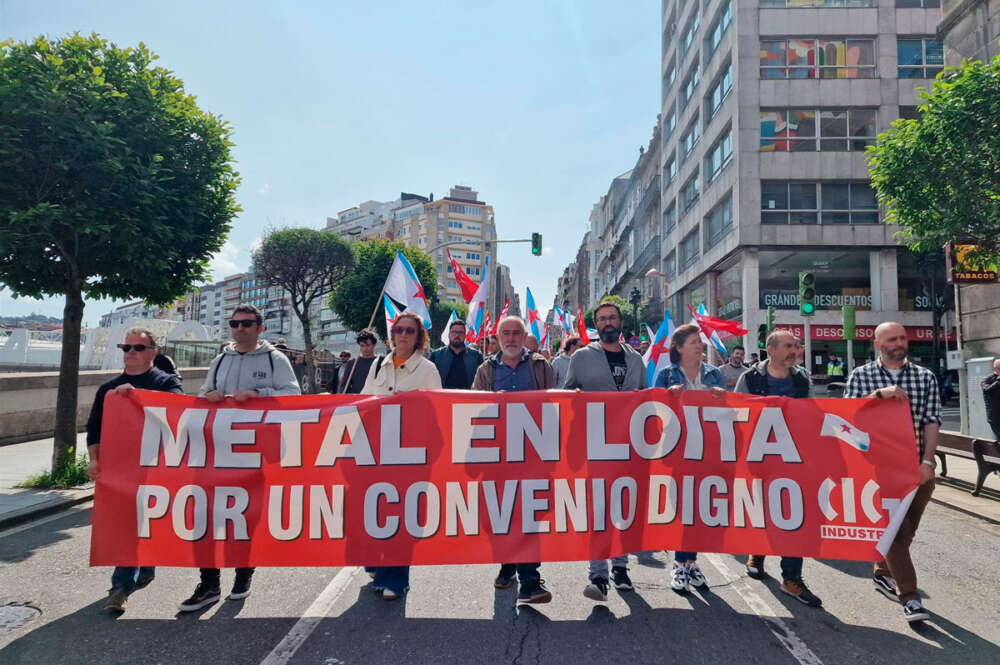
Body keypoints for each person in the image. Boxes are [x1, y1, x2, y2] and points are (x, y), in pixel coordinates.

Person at [179, 304, 301, 613]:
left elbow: (293, 395)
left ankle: (243, 575)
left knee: (245, 518)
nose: (240, 328)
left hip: (255, 454)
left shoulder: (276, 359)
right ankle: (208, 583)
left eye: (247, 323)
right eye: (234, 323)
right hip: (217, 453)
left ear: (261, 327)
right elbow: (205, 393)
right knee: (205, 518)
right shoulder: (220, 360)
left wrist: (258, 393)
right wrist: (210, 396)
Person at [844, 321, 941, 623]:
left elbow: (931, 420)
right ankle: (910, 597)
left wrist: (927, 462)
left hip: (917, 469)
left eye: (903, 338)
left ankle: (882, 571)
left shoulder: (924, 377)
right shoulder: (862, 375)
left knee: (908, 528)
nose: (899, 343)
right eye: (892, 339)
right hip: (879, 470)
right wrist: (878, 395)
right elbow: (847, 415)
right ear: (878, 344)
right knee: (895, 532)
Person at [87, 327, 183, 613]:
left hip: (156, 469)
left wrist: (138, 396)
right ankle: (120, 586)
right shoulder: (108, 389)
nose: (130, 353)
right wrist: (94, 460)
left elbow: (178, 411)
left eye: (138, 348)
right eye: (126, 347)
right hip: (121, 471)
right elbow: (94, 429)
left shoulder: (166, 382)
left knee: (149, 520)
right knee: (126, 526)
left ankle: (148, 563)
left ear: (153, 352)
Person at [564, 300, 647, 601]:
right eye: (602, 319)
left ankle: (621, 567)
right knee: (598, 512)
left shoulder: (636, 359)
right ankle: (598, 576)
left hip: (629, 447)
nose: (608, 323)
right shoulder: (582, 357)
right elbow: (566, 395)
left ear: (620, 322)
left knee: (624, 509)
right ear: (596, 325)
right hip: (595, 446)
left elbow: (646, 399)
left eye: (612, 318)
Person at [735, 329, 823, 608]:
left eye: (795, 346)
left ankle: (791, 578)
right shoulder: (750, 378)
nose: (793, 351)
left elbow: (812, 413)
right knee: (763, 510)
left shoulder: (801, 378)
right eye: (787, 346)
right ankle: (757, 553)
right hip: (760, 457)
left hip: (793, 458)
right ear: (770, 350)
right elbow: (738, 413)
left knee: (793, 515)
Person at [472, 316, 555, 605]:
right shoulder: (486, 369)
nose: (511, 338)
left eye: (516, 333)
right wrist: (493, 403)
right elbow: (474, 410)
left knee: (529, 515)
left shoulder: (539, 366)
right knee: (502, 515)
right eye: (505, 333)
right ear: (497, 337)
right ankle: (509, 564)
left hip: (533, 453)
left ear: (523, 336)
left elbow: (553, 404)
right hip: (497, 456)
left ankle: (530, 581)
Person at [362, 312, 441, 599]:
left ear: (418, 337)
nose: (403, 335)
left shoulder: (428, 369)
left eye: (409, 331)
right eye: (398, 330)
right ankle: (377, 565)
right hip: (377, 450)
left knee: (401, 514)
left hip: (410, 453)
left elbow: (437, 413)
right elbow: (364, 401)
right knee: (376, 510)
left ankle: (395, 579)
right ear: (391, 334)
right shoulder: (377, 366)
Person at [653, 324, 725, 593]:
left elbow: (728, 412)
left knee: (698, 507)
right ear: (679, 347)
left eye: (700, 341)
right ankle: (680, 565)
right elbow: (652, 412)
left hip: (707, 450)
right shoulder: (665, 375)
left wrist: (722, 398)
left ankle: (690, 562)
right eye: (693, 341)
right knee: (682, 507)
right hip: (676, 451)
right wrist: (667, 397)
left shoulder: (714, 374)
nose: (699, 345)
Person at [429, 320, 484, 389]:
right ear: (449, 334)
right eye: (454, 332)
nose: (457, 335)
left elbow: (482, 383)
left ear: (465, 335)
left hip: (468, 398)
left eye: (461, 332)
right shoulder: (436, 356)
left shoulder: (476, 357)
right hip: (443, 398)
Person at [337, 330, 380, 394]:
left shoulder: (381, 362)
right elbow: (344, 387)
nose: (365, 349)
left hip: (376, 400)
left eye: (368, 345)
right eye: (362, 345)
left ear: (374, 344)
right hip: (357, 401)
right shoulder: (352, 363)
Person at [982, 359, 1000, 441]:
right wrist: (998, 381)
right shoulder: (987, 380)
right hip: (995, 418)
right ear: (995, 369)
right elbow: (987, 390)